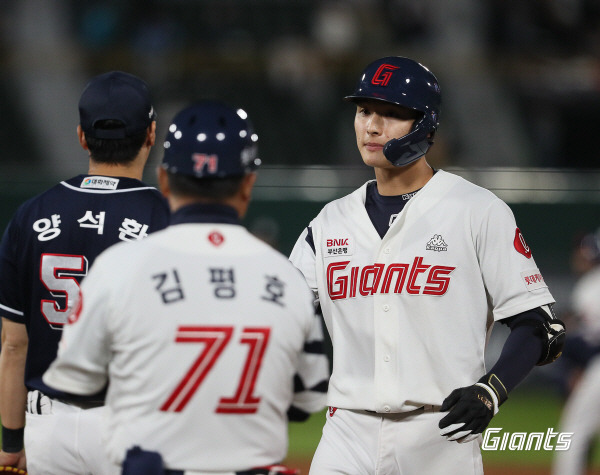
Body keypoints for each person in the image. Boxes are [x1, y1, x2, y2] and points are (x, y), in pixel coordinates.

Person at [289, 56, 565, 475]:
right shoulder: (329, 222)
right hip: (345, 431)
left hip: (440, 433)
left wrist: (492, 390)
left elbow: (540, 328)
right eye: (364, 110)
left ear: (426, 125)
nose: (372, 126)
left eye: (392, 114)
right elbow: (278, 313)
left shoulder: (476, 210)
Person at [43, 100, 330, 474]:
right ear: (248, 183)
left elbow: (74, 381)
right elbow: (308, 398)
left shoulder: (119, 267)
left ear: (163, 179)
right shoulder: (287, 279)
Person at [0, 70, 170, 474]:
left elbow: (13, 346)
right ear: (150, 134)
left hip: (47, 428)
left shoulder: (31, 216)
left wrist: (11, 443)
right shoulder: (168, 220)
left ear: (82, 136)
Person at [552, 228, 600, 475]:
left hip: (597, 367)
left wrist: (577, 368)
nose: (578, 255)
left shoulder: (591, 286)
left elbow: (586, 341)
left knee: (574, 431)